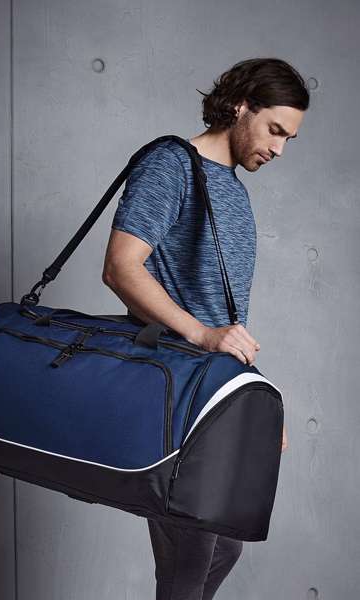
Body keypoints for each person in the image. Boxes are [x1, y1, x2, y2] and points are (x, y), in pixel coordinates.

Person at [102, 57, 309, 599]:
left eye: (290, 138)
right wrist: (200, 336)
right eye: (275, 130)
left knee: (222, 548)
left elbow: (223, 318)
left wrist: (257, 399)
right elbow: (121, 267)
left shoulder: (234, 189)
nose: (280, 149)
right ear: (241, 106)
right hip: (175, 388)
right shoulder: (170, 166)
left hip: (214, 391)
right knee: (189, 556)